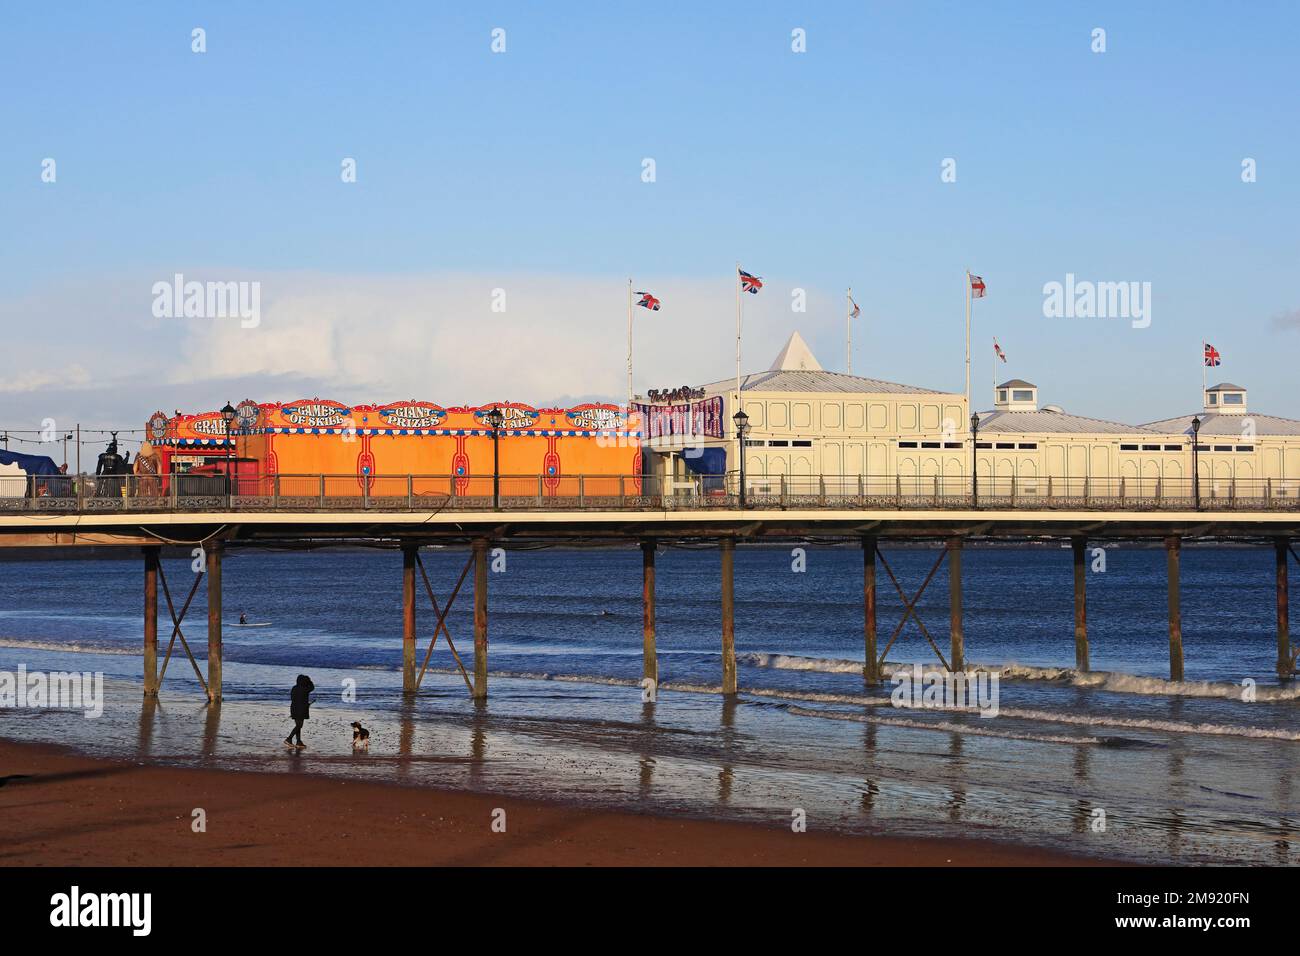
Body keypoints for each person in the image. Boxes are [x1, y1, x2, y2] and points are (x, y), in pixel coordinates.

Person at [285, 674, 315, 749]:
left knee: (298, 725)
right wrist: (310, 681)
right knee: (299, 725)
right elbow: (312, 687)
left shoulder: (294, 688)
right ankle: (289, 739)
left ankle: (298, 741)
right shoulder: (305, 689)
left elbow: (292, 698)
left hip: (294, 708)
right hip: (301, 709)